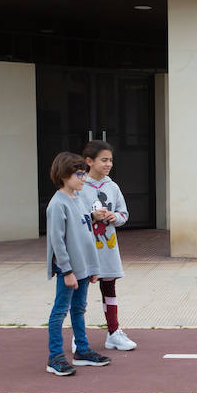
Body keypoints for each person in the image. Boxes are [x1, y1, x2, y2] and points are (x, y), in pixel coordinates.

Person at [45, 152, 109, 376]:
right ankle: (55, 357)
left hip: (83, 268)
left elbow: (84, 232)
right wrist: (67, 271)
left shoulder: (79, 198)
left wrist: (93, 268)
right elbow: (58, 242)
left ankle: (81, 350)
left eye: (84, 174)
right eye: (79, 174)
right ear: (64, 176)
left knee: (79, 309)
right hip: (69, 270)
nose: (83, 178)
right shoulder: (57, 205)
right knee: (60, 311)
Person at [81, 141, 136, 351]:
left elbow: (124, 214)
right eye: (104, 160)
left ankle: (113, 332)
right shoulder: (79, 186)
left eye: (110, 160)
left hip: (108, 247)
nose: (108, 164)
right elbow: (74, 215)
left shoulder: (112, 187)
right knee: (81, 291)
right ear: (89, 161)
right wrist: (90, 216)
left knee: (109, 287)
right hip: (86, 248)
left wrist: (116, 217)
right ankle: (79, 336)